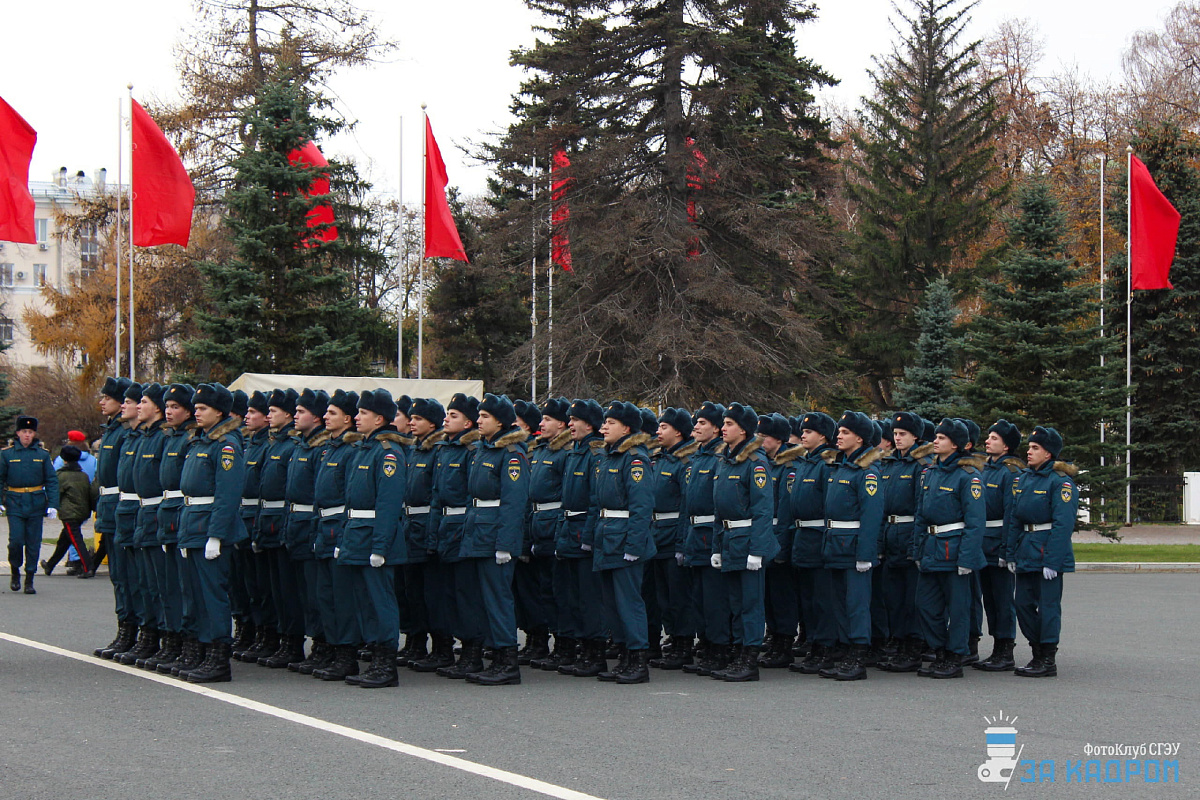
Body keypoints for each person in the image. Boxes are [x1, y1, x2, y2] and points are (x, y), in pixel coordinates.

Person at [177, 383, 246, 683]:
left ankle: (219, 658)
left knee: (213, 595)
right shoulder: (200, 442)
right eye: (196, 407)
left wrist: (216, 535)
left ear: (220, 412)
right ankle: (205, 650)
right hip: (193, 524)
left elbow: (227, 494)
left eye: (203, 408)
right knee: (197, 595)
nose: (197, 412)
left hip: (210, 528)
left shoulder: (226, 444)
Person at [339, 389, 407, 688]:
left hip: (375, 538)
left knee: (380, 602)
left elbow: (388, 505)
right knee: (364, 601)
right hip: (357, 535)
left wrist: (380, 546)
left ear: (379, 418)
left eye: (362, 413)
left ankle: (385, 664)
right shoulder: (363, 450)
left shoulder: (387, 453)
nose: (356, 417)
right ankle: (374, 657)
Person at [461, 393, 530, 686]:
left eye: (485, 416)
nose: (478, 421)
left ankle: (507, 661)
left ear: (500, 421)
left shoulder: (511, 454)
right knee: (482, 598)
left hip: (495, 537)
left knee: (498, 598)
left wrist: (505, 544)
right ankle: (494, 655)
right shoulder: (483, 450)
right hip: (479, 531)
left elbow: (514, 505)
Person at [910, 418, 985, 679]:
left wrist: (967, 558)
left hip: (953, 551)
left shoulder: (968, 477)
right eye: (937, 437)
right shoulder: (930, 473)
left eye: (941, 438)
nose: (935, 441)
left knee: (958, 607)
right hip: (931, 548)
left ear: (955, 444)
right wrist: (917, 550)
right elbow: (921, 514)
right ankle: (939, 650)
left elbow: (975, 522)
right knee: (925, 605)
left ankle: (955, 655)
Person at [709, 404, 777, 682]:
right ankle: (738, 654)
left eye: (729, 423)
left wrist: (758, 550)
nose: (723, 428)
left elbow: (763, 509)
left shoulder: (755, 462)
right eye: (723, 423)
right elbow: (719, 508)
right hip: (729, 540)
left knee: (750, 603)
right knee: (735, 603)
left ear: (744, 430)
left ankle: (749, 658)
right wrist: (716, 547)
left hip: (748, 541)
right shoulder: (725, 461)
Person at [589, 400, 654, 684]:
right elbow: (597, 502)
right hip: (607, 535)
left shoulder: (635, 458)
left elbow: (641, 507)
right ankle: (625, 655)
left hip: (625, 536)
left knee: (629, 602)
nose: (603, 427)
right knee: (611, 603)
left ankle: (639, 658)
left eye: (610, 423)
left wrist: (634, 546)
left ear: (626, 428)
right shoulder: (608, 457)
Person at [820, 411, 884, 681]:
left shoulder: (867, 472)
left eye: (845, 432)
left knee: (856, 603)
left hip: (854, 546)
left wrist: (866, 553)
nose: (839, 436)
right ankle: (845, 649)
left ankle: (858, 654)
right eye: (839, 431)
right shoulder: (840, 468)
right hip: (835, 544)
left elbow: (872, 515)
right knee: (839, 602)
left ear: (859, 437)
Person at [1009, 426, 1077, 678]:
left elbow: (1063, 524)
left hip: (1047, 549)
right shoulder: (1024, 479)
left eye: (1035, 448)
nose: (1029, 451)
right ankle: (1036, 649)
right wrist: (1011, 552)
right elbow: (1015, 518)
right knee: (1022, 604)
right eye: (1029, 447)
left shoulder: (1060, 482)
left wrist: (1053, 560)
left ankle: (1047, 658)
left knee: (1048, 607)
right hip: (1026, 548)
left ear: (1048, 454)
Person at [547, 399, 607, 677]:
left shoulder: (595, 454)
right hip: (569, 529)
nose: (569, 424)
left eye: (575, 420)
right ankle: (578, 648)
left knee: (589, 597)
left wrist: (590, 535)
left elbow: (596, 500)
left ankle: (595, 653)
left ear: (590, 424)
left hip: (584, 530)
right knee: (569, 594)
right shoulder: (574, 453)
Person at [428, 393, 484, 679]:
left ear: (468, 423)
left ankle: (473, 651)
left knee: (467, 594)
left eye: (453, 416)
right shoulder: (444, 450)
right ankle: (456, 648)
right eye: (447, 414)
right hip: (446, 527)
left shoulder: (471, 451)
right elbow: (437, 496)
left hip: (464, 526)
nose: (446, 419)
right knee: (449, 593)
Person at [875, 411, 935, 673]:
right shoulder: (888, 465)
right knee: (893, 596)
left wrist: (916, 543)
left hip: (910, 532)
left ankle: (913, 645)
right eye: (895, 434)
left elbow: (922, 507)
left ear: (916, 436)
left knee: (912, 597)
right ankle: (898, 643)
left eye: (903, 434)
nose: (897, 438)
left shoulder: (922, 465)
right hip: (890, 534)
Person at [781, 411, 839, 675]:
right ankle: (814, 643)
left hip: (819, 538)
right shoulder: (806, 462)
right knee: (808, 599)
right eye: (802, 431)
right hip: (802, 538)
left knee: (823, 599)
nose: (802, 435)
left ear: (823, 436)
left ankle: (826, 647)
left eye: (809, 432)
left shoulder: (827, 463)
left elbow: (829, 506)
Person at [310, 389, 363, 682]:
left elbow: (349, 496)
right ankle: (332, 647)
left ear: (347, 417)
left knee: (343, 597)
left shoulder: (351, 450)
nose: (326, 417)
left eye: (332, 413)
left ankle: (347, 654)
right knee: (325, 595)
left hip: (340, 526)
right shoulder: (328, 448)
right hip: (323, 527)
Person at [518, 398, 571, 666]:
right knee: (539, 590)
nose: (542, 423)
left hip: (554, 526)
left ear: (561, 423)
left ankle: (563, 643)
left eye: (548, 419)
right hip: (537, 524)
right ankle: (539, 639)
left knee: (556, 589)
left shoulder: (565, 453)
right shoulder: (540, 451)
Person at [120, 384, 170, 669]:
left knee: (163, 585)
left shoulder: (162, 437)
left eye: (143, 401)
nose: (138, 406)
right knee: (144, 583)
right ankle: (148, 635)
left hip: (158, 512)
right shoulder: (144, 437)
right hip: (139, 511)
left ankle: (167, 638)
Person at [282, 388, 331, 674]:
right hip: (295, 524)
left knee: (317, 593)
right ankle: (314, 643)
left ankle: (324, 645)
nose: (295, 416)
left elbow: (318, 494)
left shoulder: (321, 448)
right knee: (301, 592)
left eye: (301, 412)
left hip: (312, 524)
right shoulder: (300, 445)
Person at [680, 402, 731, 677]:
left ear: (715, 428)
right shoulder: (697, 457)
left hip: (711, 534)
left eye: (702, 423)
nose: (696, 427)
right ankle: (707, 644)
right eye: (695, 422)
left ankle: (720, 648)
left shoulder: (720, 457)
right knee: (698, 598)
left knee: (715, 599)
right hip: (694, 534)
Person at [646, 407, 697, 670]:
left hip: (674, 534)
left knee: (679, 596)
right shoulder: (661, 459)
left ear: (678, 431)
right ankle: (673, 638)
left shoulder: (685, 462)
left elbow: (686, 505)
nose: (658, 431)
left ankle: (684, 643)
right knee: (663, 596)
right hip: (657, 536)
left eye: (663, 427)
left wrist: (681, 542)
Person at [256, 388, 303, 669]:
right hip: (268, 521)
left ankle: (293, 641)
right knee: (272, 588)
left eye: (274, 411)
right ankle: (278, 636)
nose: (266, 415)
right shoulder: (273, 444)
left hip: (285, 520)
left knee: (289, 588)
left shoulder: (291, 446)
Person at [153, 384, 198, 676]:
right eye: (166, 406)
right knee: (165, 584)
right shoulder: (170, 437)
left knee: (187, 588)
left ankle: (189, 643)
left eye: (175, 407)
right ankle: (171, 639)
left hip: (186, 515)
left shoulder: (190, 440)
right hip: (168, 513)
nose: (169, 412)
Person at [973, 419, 1024, 672]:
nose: (987, 441)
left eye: (994, 438)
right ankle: (994, 647)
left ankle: (1005, 649)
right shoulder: (984, 469)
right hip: (982, 543)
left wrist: (1007, 550)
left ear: (1006, 446)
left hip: (998, 543)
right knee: (988, 600)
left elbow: (1012, 513)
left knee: (1002, 599)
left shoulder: (1010, 472)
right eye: (988, 437)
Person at [404, 398, 450, 671]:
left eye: (417, 419)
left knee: (434, 593)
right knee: (414, 592)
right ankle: (417, 641)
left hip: (427, 525)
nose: (411, 423)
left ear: (432, 423)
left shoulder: (437, 451)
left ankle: (442, 646)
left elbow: (435, 495)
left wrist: (433, 535)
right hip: (411, 526)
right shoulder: (415, 450)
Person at [92, 377, 137, 654]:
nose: (102, 401)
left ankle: (132, 630)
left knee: (127, 575)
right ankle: (125, 629)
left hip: (121, 507)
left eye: (107, 397)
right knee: (118, 576)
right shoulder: (111, 430)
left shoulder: (122, 432)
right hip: (108, 508)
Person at [757, 413, 803, 669]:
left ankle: (785, 641)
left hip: (780, 537)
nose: (760, 441)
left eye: (764, 437)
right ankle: (774, 636)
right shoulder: (766, 463)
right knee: (769, 595)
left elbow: (786, 510)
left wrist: (782, 547)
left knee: (782, 594)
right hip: (766, 536)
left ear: (779, 439)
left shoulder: (790, 466)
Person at [233, 391, 274, 663]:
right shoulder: (249, 444)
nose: (248, 416)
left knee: (264, 586)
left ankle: (268, 634)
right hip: (244, 517)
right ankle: (249, 629)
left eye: (253, 412)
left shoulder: (268, 445)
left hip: (261, 519)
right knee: (244, 584)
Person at [41, 445, 96, 577]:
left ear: (64, 460)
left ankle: (88, 567)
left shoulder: (61, 475)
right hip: (83, 512)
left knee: (76, 540)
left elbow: (55, 493)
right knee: (64, 541)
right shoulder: (83, 475)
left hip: (69, 513)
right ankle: (50, 565)